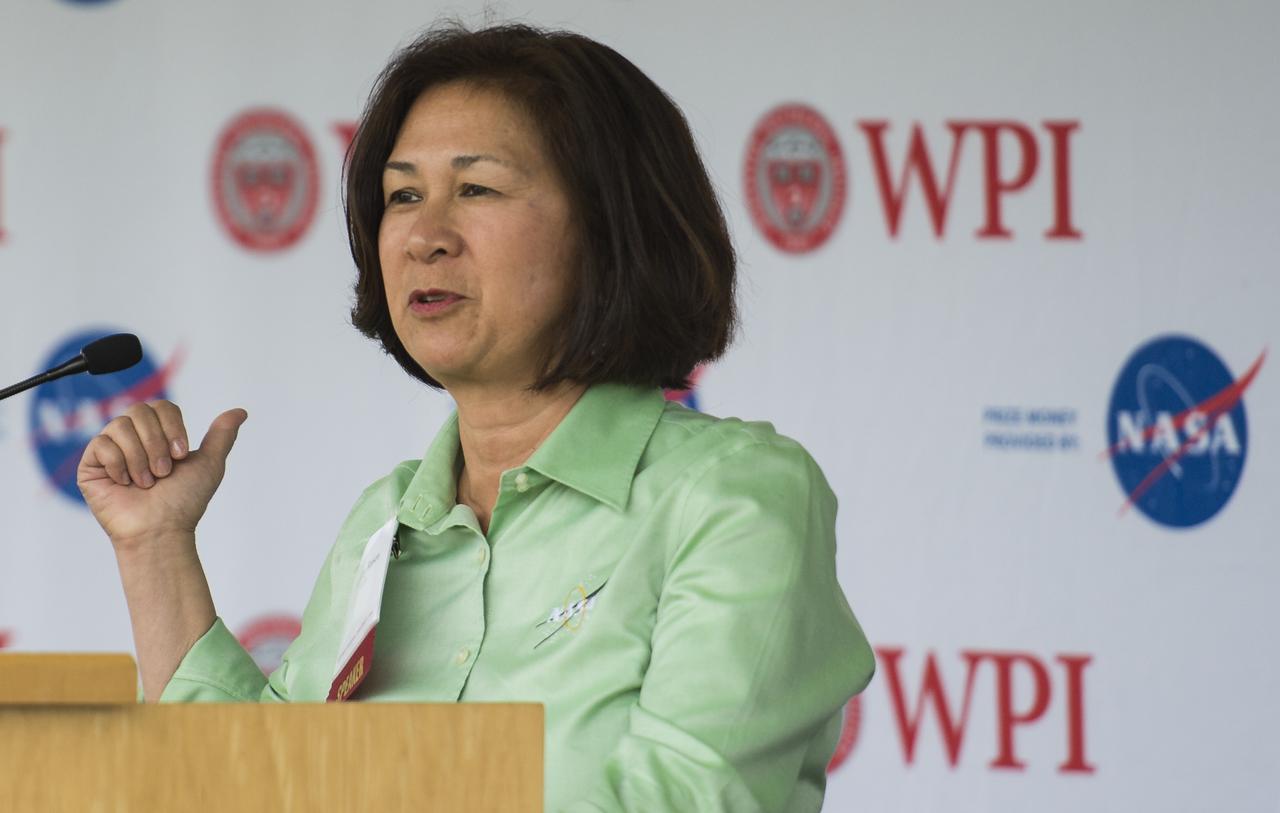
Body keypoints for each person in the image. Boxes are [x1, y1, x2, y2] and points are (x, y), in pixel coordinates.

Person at [77, 23, 874, 813]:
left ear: (609, 224)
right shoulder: (386, 525)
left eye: (478, 188)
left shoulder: (733, 497)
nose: (424, 236)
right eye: (403, 196)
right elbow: (253, 790)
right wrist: (155, 547)